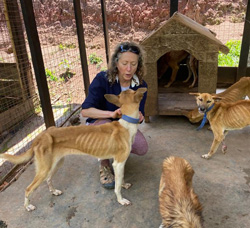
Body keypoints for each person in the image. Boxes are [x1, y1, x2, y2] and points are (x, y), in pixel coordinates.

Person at [81, 41, 148, 189]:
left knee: (142, 147)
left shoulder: (141, 85)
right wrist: (111, 114)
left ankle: (117, 154)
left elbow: (139, 114)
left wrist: (139, 117)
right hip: (100, 124)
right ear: (116, 62)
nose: (129, 69)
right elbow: (85, 111)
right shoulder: (102, 79)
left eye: (134, 64)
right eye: (124, 63)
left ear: (139, 65)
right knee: (107, 129)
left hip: (123, 126)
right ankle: (104, 164)